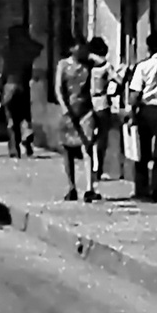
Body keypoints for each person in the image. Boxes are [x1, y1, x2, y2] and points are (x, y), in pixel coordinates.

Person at [127, 31, 157, 202]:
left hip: (145, 111)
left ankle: (142, 189)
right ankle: (156, 190)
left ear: (148, 48)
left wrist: (131, 112)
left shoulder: (143, 66)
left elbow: (134, 93)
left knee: (142, 153)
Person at [54, 34, 98, 203]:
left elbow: (104, 63)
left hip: (85, 111)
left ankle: (89, 188)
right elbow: (58, 88)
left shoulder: (88, 64)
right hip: (69, 111)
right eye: (80, 46)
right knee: (68, 151)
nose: (82, 49)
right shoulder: (63, 65)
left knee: (87, 147)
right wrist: (64, 107)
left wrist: (92, 55)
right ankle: (71, 187)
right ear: (72, 48)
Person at [0, 25, 42, 160]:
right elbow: (39, 47)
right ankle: (26, 138)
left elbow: (4, 73)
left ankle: (14, 149)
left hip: (9, 86)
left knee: (11, 119)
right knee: (24, 115)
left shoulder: (7, 50)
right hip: (23, 86)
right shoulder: (27, 52)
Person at [88, 36, 119, 181]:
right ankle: (98, 168)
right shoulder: (106, 66)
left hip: (87, 102)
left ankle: (90, 167)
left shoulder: (86, 64)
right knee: (102, 138)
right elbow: (118, 80)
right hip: (102, 102)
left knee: (88, 138)